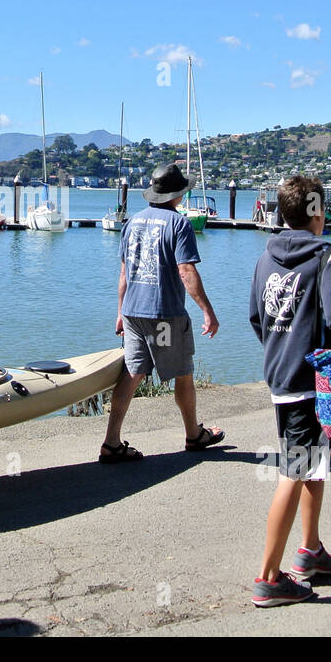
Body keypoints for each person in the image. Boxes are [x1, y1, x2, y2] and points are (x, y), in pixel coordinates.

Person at [248, 175, 331, 606]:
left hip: (280, 375)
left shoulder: (265, 258)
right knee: (294, 472)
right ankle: (268, 578)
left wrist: (281, 349)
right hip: (311, 381)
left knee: (313, 461)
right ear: (317, 212)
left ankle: (310, 551)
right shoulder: (328, 255)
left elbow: (256, 317)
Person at [100, 163, 223, 462]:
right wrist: (208, 311)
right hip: (165, 315)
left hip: (132, 312)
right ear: (178, 194)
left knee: (134, 372)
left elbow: (124, 274)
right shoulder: (179, 224)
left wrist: (119, 312)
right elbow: (186, 271)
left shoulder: (132, 223)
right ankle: (194, 435)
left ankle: (111, 442)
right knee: (182, 373)